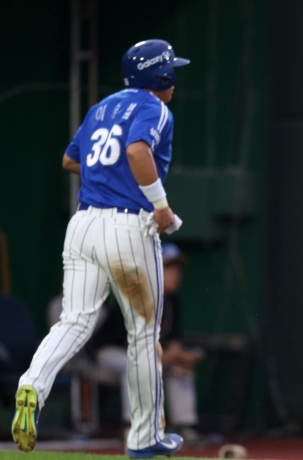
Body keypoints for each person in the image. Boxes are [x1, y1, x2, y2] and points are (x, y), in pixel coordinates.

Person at [12, 39, 189, 458]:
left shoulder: (102, 108)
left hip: (83, 223)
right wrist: (161, 207)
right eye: (171, 72)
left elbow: (70, 160)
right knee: (144, 335)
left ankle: (31, 385)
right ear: (161, 77)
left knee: (73, 322)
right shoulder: (155, 107)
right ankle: (145, 438)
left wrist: (106, 172)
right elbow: (135, 150)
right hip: (127, 225)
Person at [93, 243, 204, 442]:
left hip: (149, 354)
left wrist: (181, 357)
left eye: (177, 269)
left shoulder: (173, 302)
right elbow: (132, 347)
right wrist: (170, 357)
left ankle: (183, 426)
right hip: (108, 354)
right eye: (168, 268)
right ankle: (132, 427)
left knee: (180, 368)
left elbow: (173, 342)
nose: (175, 274)